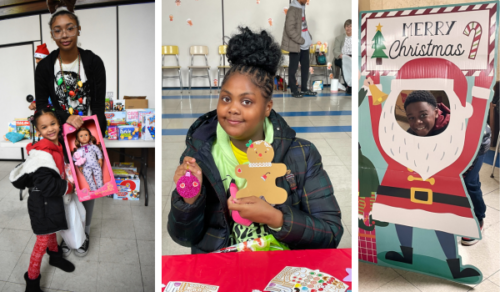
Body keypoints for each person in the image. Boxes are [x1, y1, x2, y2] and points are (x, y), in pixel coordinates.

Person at [167, 27, 343, 254]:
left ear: (267, 107)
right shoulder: (200, 156)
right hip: (221, 273)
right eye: (226, 98)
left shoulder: (302, 155)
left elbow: (331, 233)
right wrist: (189, 199)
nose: (232, 109)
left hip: (282, 273)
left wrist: (277, 218)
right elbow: (182, 236)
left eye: (246, 101)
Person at [35, 6, 107, 257]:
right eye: (58, 30)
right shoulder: (45, 67)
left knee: (87, 182)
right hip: (57, 134)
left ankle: (83, 232)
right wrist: (65, 119)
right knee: (63, 185)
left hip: (86, 134)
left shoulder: (93, 62)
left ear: (78, 29)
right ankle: (68, 232)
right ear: (52, 35)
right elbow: (43, 106)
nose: (64, 34)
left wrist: (97, 138)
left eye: (70, 28)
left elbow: (98, 105)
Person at [404, 90, 490, 246]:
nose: (417, 122)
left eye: (423, 115)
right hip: (449, 148)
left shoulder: (454, 128)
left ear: (436, 112)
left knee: (468, 182)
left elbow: (467, 152)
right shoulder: (413, 132)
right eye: (411, 118)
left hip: (477, 144)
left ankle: (478, 218)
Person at [10, 109, 75, 292]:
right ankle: (32, 281)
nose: (50, 129)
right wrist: (69, 187)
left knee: (52, 227)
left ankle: (54, 257)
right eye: (44, 127)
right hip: (41, 202)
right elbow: (48, 186)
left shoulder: (58, 144)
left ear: (59, 124)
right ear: (38, 131)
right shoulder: (42, 154)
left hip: (51, 200)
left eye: (53, 124)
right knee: (41, 241)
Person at [281, 0, 317, 98]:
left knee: (305, 68)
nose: (307, 0)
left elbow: (302, 25)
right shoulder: (293, 9)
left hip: (304, 45)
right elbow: (289, 29)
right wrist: (301, 40)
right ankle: (294, 90)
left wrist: (308, 37)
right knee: (293, 69)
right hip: (296, 45)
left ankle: (304, 89)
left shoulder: (302, 7)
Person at [333, 20, 352, 94]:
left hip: (353, 57)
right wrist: (341, 55)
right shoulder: (339, 38)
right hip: (342, 57)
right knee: (346, 64)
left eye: (350, 26)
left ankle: (353, 85)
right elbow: (335, 50)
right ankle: (349, 85)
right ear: (345, 28)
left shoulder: (357, 37)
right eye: (347, 26)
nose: (349, 28)